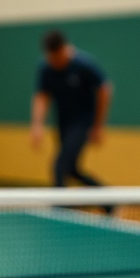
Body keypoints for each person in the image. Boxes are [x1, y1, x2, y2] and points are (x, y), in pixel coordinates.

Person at [30, 31, 112, 188]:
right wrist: (37, 125)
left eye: (57, 57)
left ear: (64, 49)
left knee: (59, 166)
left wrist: (98, 126)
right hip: (63, 123)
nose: (55, 61)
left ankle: (59, 209)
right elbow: (41, 97)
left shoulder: (83, 64)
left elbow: (104, 89)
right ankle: (108, 200)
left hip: (83, 123)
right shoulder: (46, 68)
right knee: (71, 169)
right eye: (51, 58)